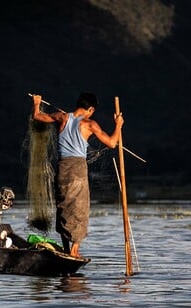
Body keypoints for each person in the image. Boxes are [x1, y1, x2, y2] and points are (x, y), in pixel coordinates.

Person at [31, 92, 124, 258]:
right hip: (77, 169)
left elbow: (37, 116)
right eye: (92, 111)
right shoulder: (89, 124)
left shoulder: (62, 117)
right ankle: (74, 250)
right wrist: (118, 125)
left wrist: (37, 102)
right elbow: (111, 143)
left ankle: (67, 248)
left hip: (61, 168)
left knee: (63, 205)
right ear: (90, 109)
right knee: (80, 208)